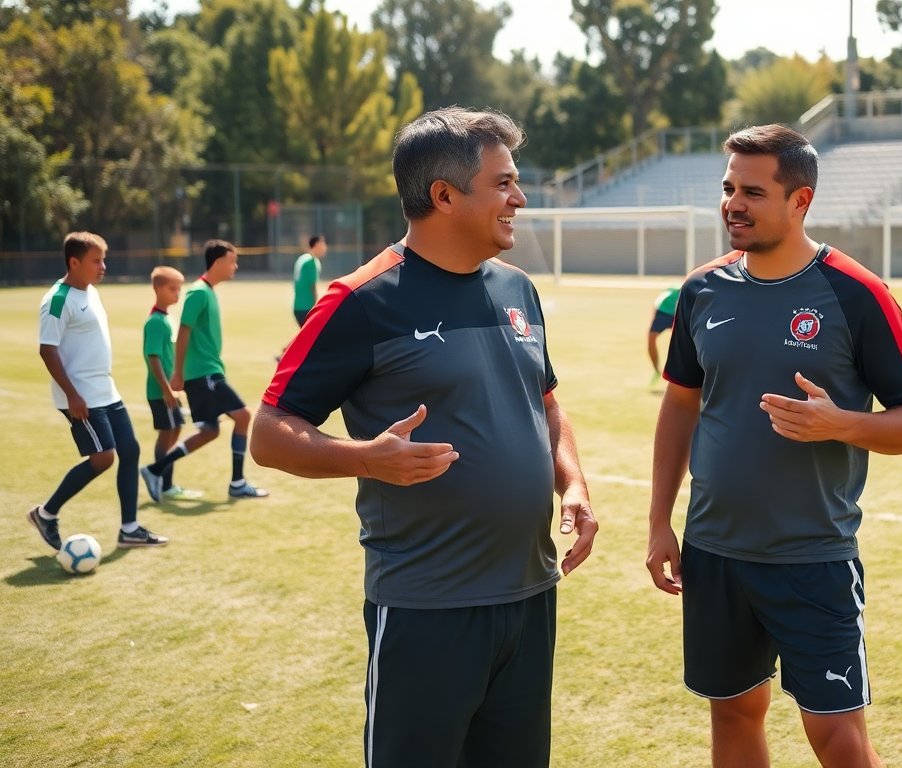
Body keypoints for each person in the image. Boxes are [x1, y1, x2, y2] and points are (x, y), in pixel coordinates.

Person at [249, 107, 598, 768]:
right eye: (503, 183)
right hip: (426, 610)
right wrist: (366, 460)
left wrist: (572, 482)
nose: (519, 198)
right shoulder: (362, 300)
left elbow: (546, 403)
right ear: (443, 196)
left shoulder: (518, 288)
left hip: (529, 598)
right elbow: (269, 433)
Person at [646, 124, 902, 768]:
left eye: (752, 191)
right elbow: (680, 405)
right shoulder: (702, 290)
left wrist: (844, 424)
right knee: (733, 713)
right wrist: (658, 523)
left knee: (837, 736)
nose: (734, 204)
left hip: (813, 557)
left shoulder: (854, 293)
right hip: (715, 552)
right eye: (728, 189)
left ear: (800, 201)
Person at [27, 232, 168, 551]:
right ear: (74, 262)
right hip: (80, 396)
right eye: (96, 261)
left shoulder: (89, 291)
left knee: (129, 451)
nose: (103, 266)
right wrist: (73, 395)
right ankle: (46, 514)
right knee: (103, 457)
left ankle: (129, 529)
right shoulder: (58, 299)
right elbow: (47, 350)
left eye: (104, 259)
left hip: (106, 390)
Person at [138, 240, 268, 501]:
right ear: (218, 262)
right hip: (203, 374)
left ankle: (155, 470)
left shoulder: (207, 292)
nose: (236, 266)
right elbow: (184, 331)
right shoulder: (198, 292)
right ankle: (237, 483)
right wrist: (178, 373)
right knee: (243, 416)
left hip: (208, 371)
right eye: (232, 261)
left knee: (210, 430)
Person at [142, 266, 202, 501]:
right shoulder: (155, 322)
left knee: (175, 430)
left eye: (179, 289)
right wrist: (166, 390)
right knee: (167, 435)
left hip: (169, 392)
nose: (177, 294)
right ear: (157, 289)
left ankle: (165, 481)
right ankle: (161, 483)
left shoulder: (166, 318)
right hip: (160, 393)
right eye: (172, 289)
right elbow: (153, 358)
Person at [293, 234, 326, 327]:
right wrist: (317, 308)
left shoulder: (302, 258)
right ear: (317, 245)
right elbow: (313, 287)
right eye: (323, 244)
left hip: (298, 306)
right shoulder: (311, 262)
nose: (325, 248)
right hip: (308, 308)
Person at [647, 286, 680, 379]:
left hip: (680, 313)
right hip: (663, 313)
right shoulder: (671, 291)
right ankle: (657, 370)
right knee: (651, 338)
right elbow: (657, 303)